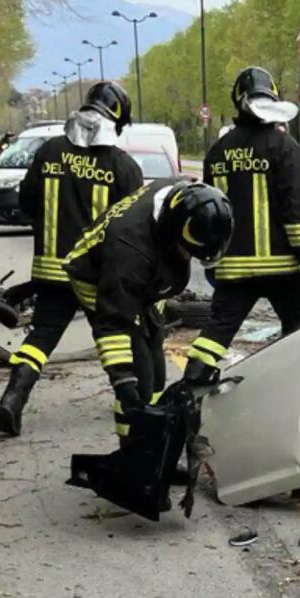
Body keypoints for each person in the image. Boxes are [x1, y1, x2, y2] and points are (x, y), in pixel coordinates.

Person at [0, 83, 144, 437]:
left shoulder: (50, 152)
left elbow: (27, 202)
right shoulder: (122, 166)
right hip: (97, 275)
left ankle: (13, 399)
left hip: (51, 269)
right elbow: (135, 229)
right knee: (114, 337)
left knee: (42, 336)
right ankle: (134, 408)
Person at [63, 180, 232, 444]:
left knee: (156, 364)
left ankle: (152, 432)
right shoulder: (129, 252)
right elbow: (113, 323)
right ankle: (132, 448)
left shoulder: (179, 198)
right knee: (138, 373)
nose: (187, 257)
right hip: (96, 280)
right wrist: (122, 379)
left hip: (140, 286)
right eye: (186, 251)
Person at [184, 66, 300, 384]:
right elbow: (298, 207)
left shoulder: (217, 153)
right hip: (283, 269)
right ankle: (294, 389)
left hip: (234, 269)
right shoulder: (284, 146)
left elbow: (209, 212)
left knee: (217, 331)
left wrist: (211, 261)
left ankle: (191, 385)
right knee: (298, 331)